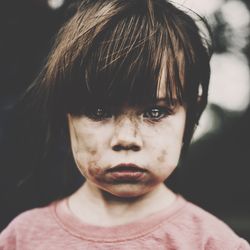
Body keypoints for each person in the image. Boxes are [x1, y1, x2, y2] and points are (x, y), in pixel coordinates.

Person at [0, 0, 249, 249]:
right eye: (99, 111)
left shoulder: (213, 243)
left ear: (190, 114)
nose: (126, 138)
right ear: (66, 115)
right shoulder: (21, 239)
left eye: (155, 111)